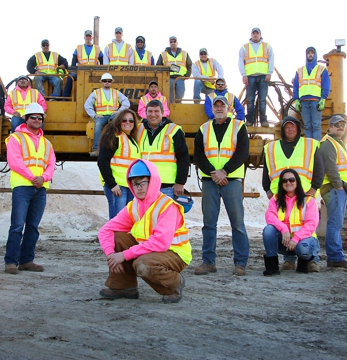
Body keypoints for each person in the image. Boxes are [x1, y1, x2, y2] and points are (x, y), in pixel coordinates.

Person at [98, 159, 191, 304]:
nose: (138, 188)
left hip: (175, 253)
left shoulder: (167, 206)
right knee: (117, 237)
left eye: (143, 183)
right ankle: (124, 287)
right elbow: (106, 230)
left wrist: (123, 255)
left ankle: (174, 284)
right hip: (151, 250)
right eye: (135, 184)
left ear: (153, 182)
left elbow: (161, 243)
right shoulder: (133, 206)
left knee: (142, 264)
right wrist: (111, 255)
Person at [193, 96, 250, 276]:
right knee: (209, 224)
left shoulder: (239, 126)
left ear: (228, 108)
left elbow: (242, 153)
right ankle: (208, 262)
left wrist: (224, 171)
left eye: (222, 105)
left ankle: (240, 263)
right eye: (216, 106)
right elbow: (199, 155)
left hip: (231, 180)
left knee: (237, 223)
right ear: (212, 108)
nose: (219, 108)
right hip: (210, 181)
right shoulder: (203, 129)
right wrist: (213, 173)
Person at [263, 116, 324, 271]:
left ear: (298, 129)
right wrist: (268, 190)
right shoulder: (271, 148)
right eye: (287, 127)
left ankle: (312, 259)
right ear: (283, 130)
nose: (290, 129)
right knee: (284, 223)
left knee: (306, 225)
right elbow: (266, 170)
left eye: (293, 127)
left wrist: (314, 188)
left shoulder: (310, 145)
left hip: (304, 195)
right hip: (280, 197)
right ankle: (289, 260)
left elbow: (319, 168)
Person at [4, 103, 56, 274]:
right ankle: (11, 262)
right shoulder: (16, 138)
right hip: (22, 187)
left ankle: (27, 260)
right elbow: (15, 162)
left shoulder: (46, 143)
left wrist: (43, 178)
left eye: (39, 118)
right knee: (17, 225)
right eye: (33, 117)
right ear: (25, 119)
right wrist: (32, 178)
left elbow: (51, 164)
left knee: (33, 226)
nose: (36, 120)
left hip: (40, 188)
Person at [262, 169, 320, 276]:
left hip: (302, 241)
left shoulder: (308, 201)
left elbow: (312, 223)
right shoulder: (275, 199)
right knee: (268, 230)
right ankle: (272, 266)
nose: (288, 182)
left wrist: (296, 238)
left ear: (297, 182)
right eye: (284, 181)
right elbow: (270, 216)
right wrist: (283, 229)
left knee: (303, 249)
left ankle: (304, 262)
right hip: (284, 241)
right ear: (281, 184)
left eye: (291, 179)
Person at [319, 115, 347, 270]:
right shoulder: (328, 144)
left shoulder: (337, 143)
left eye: (342, 124)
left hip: (339, 189)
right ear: (329, 128)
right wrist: (338, 185)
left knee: (336, 223)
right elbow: (330, 166)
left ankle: (335, 256)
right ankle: (335, 257)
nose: (340, 127)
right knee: (335, 224)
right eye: (336, 125)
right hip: (335, 189)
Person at [136, 100, 190, 199]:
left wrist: (180, 182)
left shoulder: (174, 130)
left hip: (166, 186)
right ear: (145, 113)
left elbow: (183, 158)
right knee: (145, 215)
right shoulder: (138, 129)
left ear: (162, 112)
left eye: (156, 111)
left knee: (164, 214)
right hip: (143, 184)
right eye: (150, 111)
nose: (153, 114)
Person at [97, 109, 141, 220]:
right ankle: (111, 238)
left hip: (129, 186)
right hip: (118, 187)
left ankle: (120, 238)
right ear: (118, 121)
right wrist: (112, 184)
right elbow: (102, 162)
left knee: (126, 220)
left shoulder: (132, 140)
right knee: (117, 221)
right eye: (124, 120)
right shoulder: (114, 137)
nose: (127, 123)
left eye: (131, 121)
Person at [84, 73, 130, 157]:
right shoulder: (96, 93)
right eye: (105, 81)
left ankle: (117, 147)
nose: (107, 82)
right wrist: (94, 115)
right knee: (97, 126)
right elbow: (87, 105)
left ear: (111, 82)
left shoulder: (116, 92)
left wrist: (119, 111)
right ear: (101, 82)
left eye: (109, 81)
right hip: (101, 116)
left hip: (113, 115)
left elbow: (126, 102)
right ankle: (96, 149)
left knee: (116, 126)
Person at [292, 47, 331, 141]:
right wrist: (296, 100)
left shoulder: (321, 69)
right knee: (307, 126)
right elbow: (296, 86)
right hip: (303, 102)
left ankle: (316, 146)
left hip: (315, 101)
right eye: (308, 53)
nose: (310, 54)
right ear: (306, 55)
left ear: (315, 55)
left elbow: (326, 85)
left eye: (312, 53)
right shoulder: (299, 70)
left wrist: (323, 99)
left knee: (316, 125)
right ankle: (309, 146)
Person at [239, 27, 274, 127]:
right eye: (253, 33)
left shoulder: (267, 46)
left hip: (263, 76)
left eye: (257, 33)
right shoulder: (245, 47)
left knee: (262, 99)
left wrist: (269, 73)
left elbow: (271, 60)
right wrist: (244, 75)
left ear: (260, 35)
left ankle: (263, 121)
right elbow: (240, 62)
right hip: (250, 77)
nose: (255, 35)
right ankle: (250, 120)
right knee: (250, 100)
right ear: (251, 35)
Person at [63, 30, 103, 98]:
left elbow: (102, 61)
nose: (88, 38)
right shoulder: (78, 48)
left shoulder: (97, 48)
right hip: (80, 73)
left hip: (94, 73)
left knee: (104, 80)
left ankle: (100, 96)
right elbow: (73, 61)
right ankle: (65, 97)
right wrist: (74, 71)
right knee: (70, 77)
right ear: (84, 37)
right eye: (87, 36)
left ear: (92, 38)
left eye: (89, 36)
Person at [156, 36, 192, 103]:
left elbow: (189, 65)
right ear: (169, 43)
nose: (173, 43)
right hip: (168, 78)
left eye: (174, 41)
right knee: (170, 98)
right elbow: (158, 66)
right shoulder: (163, 54)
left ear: (177, 43)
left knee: (179, 96)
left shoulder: (184, 53)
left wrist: (186, 76)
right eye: (171, 42)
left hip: (180, 78)